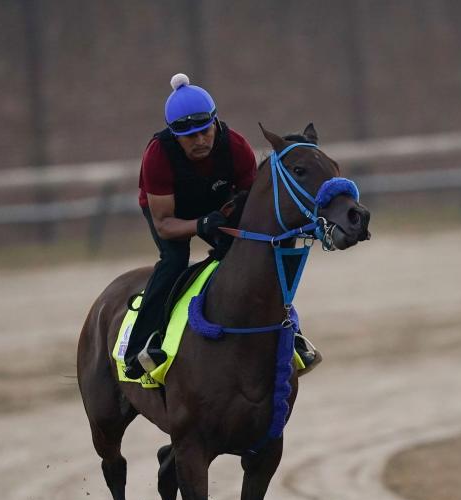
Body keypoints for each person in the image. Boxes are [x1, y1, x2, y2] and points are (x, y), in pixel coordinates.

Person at [123, 73, 320, 379]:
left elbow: (252, 202)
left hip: (218, 204)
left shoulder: (236, 146)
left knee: (258, 256)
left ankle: (291, 335)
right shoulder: (158, 155)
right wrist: (200, 224)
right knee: (173, 260)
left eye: (205, 131)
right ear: (175, 135)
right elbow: (164, 225)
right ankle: (140, 348)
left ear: (214, 123)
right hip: (170, 213)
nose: (201, 141)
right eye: (190, 137)